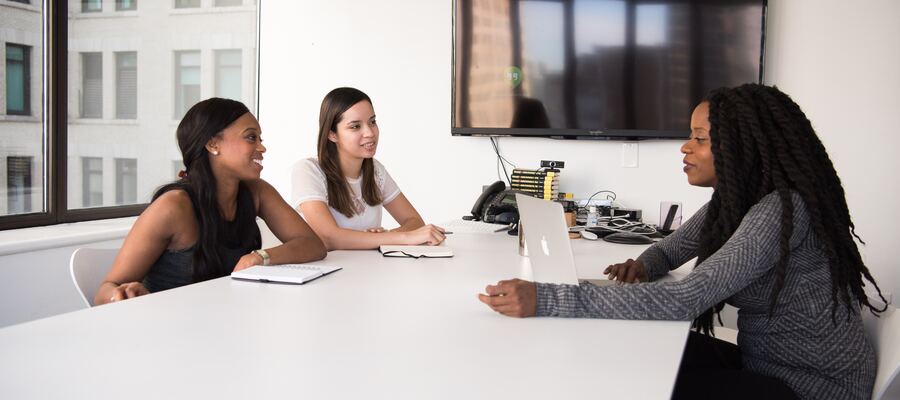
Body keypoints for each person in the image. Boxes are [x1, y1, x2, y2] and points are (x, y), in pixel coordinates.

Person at [477, 84, 887, 400]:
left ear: (741, 146)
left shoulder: (781, 210)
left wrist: (547, 299)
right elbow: (673, 247)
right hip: (767, 363)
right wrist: (646, 264)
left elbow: (685, 299)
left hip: (807, 388)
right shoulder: (736, 202)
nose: (685, 147)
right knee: (640, 350)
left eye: (701, 138)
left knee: (643, 378)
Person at [95, 98, 326, 305]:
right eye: (250, 137)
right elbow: (104, 293)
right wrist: (121, 295)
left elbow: (312, 245)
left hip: (224, 323)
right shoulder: (173, 207)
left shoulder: (257, 192)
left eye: (260, 138)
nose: (261, 147)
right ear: (213, 144)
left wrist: (259, 257)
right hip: (170, 331)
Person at [292, 87, 445, 250]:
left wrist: (381, 238)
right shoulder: (308, 170)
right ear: (332, 134)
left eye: (372, 122)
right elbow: (329, 238)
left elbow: (414, 222)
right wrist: (394, 238)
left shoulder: (375, 170)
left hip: (369, 270)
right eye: (355, 126)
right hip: (330, 272)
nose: (370, 133)